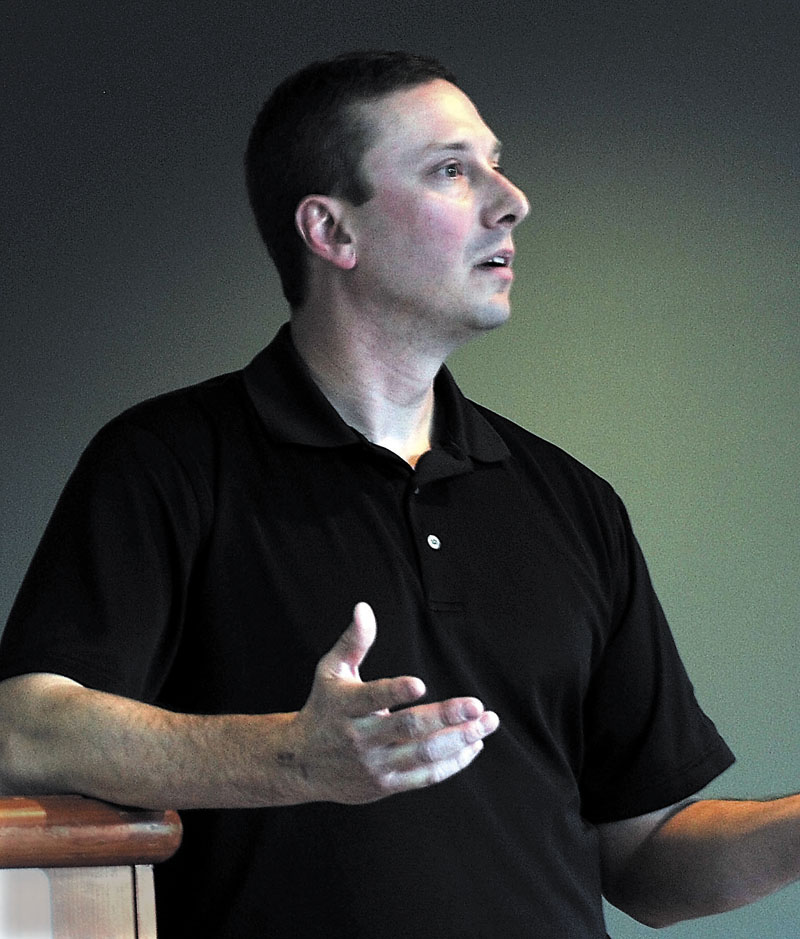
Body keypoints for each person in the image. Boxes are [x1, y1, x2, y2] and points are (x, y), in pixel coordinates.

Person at [0, 50, 797, 938]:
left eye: (497, 161)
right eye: (453, 170)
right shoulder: (166, 463)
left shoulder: (572, 501)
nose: (511, 199)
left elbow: (645, 859)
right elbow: (23, 731)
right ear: (332, 232)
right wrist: (294, 758)